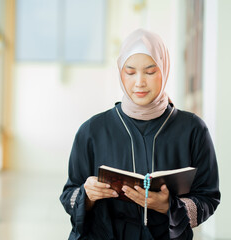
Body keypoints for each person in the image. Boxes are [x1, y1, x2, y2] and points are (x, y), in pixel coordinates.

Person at [59, 29, 220, 240]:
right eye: (130, 72)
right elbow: (68, 195)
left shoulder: (192, 129)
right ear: (120, 72)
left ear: (164, 69)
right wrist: (86, 195)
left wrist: (170, 207)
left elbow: (208, 198)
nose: (140, 82)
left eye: (150, 72)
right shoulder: (92, 130)